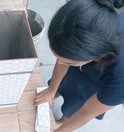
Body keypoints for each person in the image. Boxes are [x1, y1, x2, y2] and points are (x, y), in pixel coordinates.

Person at [34, 0, 124, 131]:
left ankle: (62, 120)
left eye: (68, 62)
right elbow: (62, 60)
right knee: (66, 82)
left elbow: (87, 112)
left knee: (76, 104)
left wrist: (61, 130)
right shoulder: (90, 16)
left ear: (94, 56)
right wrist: (51, 90)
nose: (59, 62)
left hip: (96, 86)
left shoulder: (119, 81)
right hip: (83, 64)